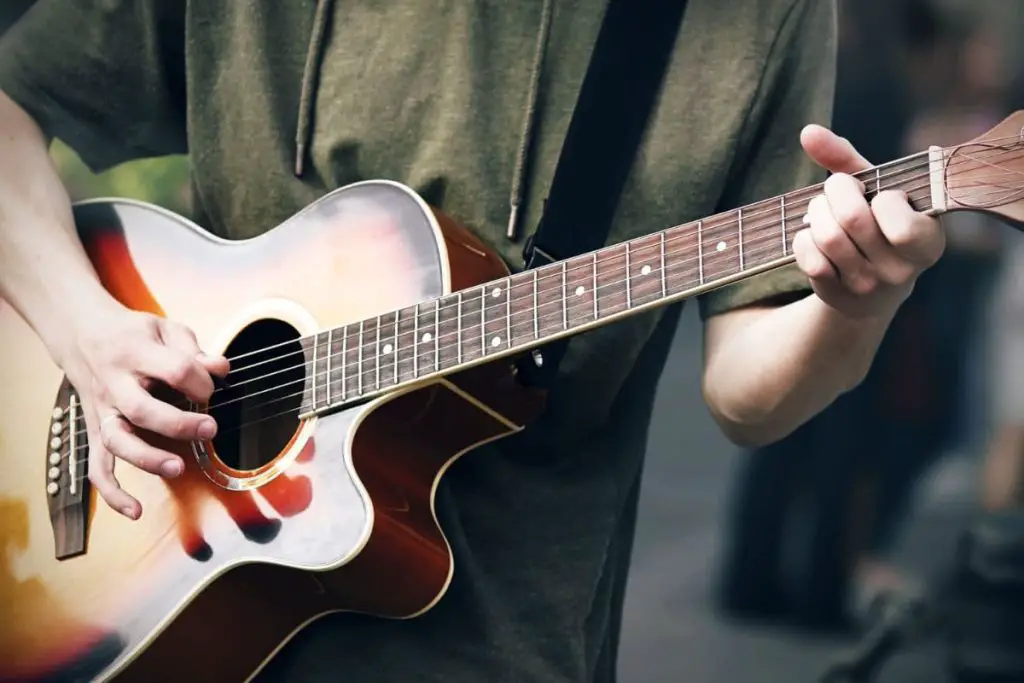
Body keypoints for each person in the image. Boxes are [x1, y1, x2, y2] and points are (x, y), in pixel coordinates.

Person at [0, 1, 947, 681]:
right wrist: (89, 333)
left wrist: (855, 303)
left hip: (505, 639)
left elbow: (748, 392)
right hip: (162, 594)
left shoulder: (750, 19)